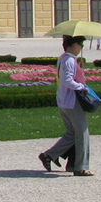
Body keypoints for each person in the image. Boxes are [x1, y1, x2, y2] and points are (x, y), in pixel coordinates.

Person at [39, 36, 93, 175]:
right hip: (72, 102)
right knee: (82, 134)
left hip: (63, 101)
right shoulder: (69, 60)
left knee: (72, 133)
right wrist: (82, 87)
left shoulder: (64, 58)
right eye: (81, 44)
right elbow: (67, 80)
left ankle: (49, 155)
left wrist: (79, 69)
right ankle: (81, 167)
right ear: (74, 44)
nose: (81, 47)